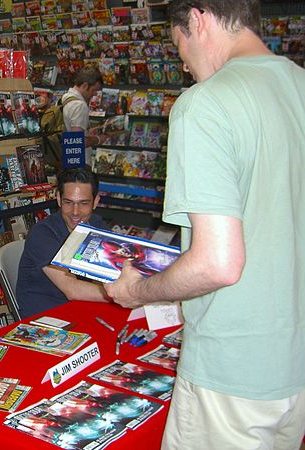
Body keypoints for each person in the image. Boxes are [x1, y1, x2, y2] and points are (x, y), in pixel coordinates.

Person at [103, 2, 305, 449]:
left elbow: (218, 263)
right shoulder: (298, 85)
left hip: (230, 372)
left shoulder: (205, 105)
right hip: (293, 366)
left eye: (177, 45)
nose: (182, 63)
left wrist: (137, 291)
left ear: (197, 20)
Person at [16, 167, 110, 319]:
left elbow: (113, 267)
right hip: (45, 320)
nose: (75, 212)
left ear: (96, 201)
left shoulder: (97, 225)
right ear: (59, 199)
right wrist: (125, 294)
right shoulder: (42, 233)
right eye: (68, 202)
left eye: (83, 203)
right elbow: (72, 289)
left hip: (81, 309)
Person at [61, 65, 105, 149]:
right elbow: (77, 141)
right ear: (85, 85)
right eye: (94, 90)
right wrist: (98, 139)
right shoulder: (79, 106)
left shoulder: (65, 98)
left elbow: (70, 130)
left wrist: (88, 133)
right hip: (78, 160)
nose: (95, 94)